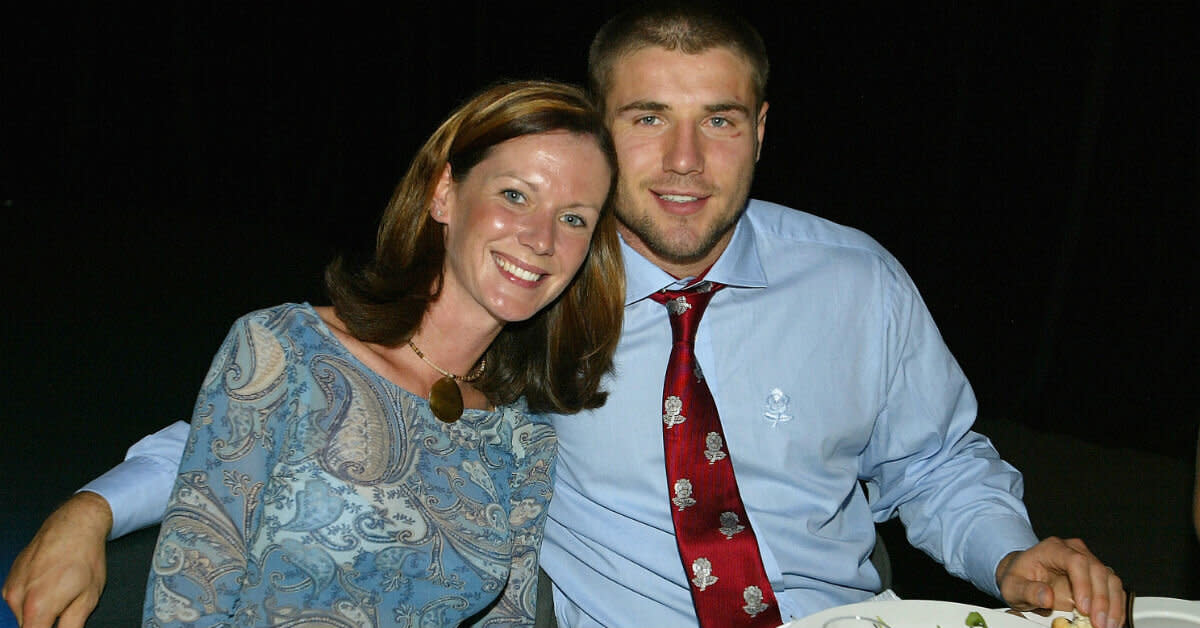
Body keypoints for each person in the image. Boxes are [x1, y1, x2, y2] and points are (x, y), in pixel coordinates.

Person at [4, 5, 1127, 628]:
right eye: (647, 118)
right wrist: (95, 504)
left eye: (720, 121)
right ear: (599, 125)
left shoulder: (859, 282)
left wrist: (1013, 553)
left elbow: (934, 464)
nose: (684, 163)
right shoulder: (546, 302)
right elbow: (301, 398)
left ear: (764, 128)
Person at [8, 79, 624, 628]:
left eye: (574, 219)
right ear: (444, 195)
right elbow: (187, 601)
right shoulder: (284, 348)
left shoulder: (523, 440)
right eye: (515, 195)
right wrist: (92, 507)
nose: (541, 238)